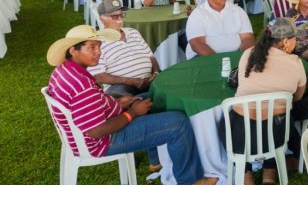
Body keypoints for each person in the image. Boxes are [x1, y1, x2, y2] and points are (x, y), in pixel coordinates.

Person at [47, 24, 215, 185]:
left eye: (99, 46)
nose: (98, 52)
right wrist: (132, 113)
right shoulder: (80, 84)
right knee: (178, 124)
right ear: (73, 50)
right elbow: (96, 131)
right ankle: (190, 181)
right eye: (92, 47)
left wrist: (118, 103)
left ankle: (157, 160)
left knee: (156, 98)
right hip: (102, 141)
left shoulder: (65, 71)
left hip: (90, 132)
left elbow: (91, 106)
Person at [221, 18, 307, 184]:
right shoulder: (296, 63)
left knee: (227, 120)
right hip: (275, 136)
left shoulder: (248, 54)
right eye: (295, 38)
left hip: (239, 136)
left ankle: (245, 174)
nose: (296, 42)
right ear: (285, 41)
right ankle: (269, 172)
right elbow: (297, 97)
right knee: (282, 117)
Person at [88, 0, 160, 97]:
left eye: (121, 15)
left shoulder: (133, 32)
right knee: (128, 98)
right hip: (121, 87)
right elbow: (98, 75)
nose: (120, 20)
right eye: (114, 16)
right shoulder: (97, 42)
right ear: (102, 19)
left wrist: (156, 73)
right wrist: (131, 81)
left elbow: (151, 57)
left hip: (148, 81)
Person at [185, 0, 255, 59]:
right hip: (203, 58)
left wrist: (242, 57)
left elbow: (248, 38)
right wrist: (219, 61)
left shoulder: (238, 11)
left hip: (235, 56)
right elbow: (197, 44)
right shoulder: (198, 14)